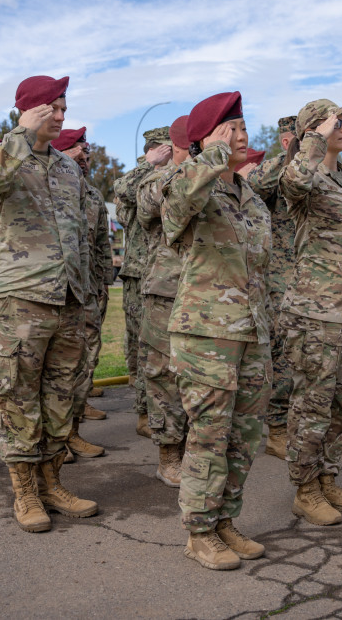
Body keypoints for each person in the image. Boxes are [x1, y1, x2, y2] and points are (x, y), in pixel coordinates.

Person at [0, 75, 99, 532]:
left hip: (69, 300)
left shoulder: (67, 168)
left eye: (64, 110)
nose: (60, 118)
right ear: (27, 111)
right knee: (17, 399)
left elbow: (82, 236)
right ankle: (24, 491)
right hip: (19, 301)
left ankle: (51, 481)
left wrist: (87, 297)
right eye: (52, 109)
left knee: (62, 398)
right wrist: (21, 133)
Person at [162, 92, 270, 570]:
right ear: (207, 140)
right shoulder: (188, 185)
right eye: (231, 130)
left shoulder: (251, 198)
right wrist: (212, 154)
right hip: (206, 335)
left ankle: (226, 520)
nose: (242, 137)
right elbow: (177, 204)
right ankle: (199, 532)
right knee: (208, 434)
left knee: (244, 437)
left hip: (251, 334)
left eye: (244, 128)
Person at [279, 99, 342, 525]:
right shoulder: (304, 173)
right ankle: (305, 488)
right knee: (312, 404)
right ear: (312, 130)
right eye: (335, 121)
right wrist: (312, 140)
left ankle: (327, 477)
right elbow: (294, 185)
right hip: (316, 310)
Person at [51, 127, 117, 461]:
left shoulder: (91, 195)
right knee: (55, 372)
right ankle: (52, 441)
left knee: (82, 364)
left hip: (88, 292)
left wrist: (104, 281)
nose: (86, 159)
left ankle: (72, 432)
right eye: (80, 153)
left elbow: (101, 243)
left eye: (88, 154)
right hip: (55, 292)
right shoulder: (48, 187)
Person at [137, 116, 189, 486]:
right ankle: (169, 455)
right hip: (167, 289)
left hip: (208, 291)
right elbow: (146, 208)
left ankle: (199, 452)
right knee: (164, 376)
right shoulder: (158, 178)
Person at [113, 129, 168, 436]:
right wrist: (150, 164)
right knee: (143, 346)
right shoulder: (137, 179)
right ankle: (145, 414)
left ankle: (162, 410)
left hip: (165, 272)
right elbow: (121, 191)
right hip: (139, 271)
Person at [249, 115, 298, 460]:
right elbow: (255, 184)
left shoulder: (320, 174)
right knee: (281, 358)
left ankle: (298, 425)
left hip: (314, 282)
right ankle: (277, 429)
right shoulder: (273, 170)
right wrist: (291, 156)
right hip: (279, 281)